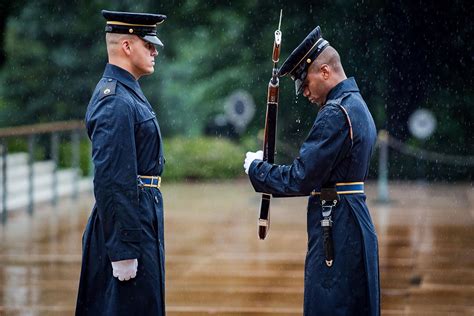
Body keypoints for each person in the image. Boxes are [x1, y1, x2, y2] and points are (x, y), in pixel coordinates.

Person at [244, 26, 380, 316]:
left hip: (337, 223)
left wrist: (257, 170)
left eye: (306, 82)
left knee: (331, 305)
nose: (304, 92)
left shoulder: (334, 112)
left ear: (326, 72)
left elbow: (302, 177)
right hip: (349, 217)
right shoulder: (355, 104)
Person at [76, 10, 167, 315]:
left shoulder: (127, 92)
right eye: (148, 44)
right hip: (129, 223)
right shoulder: (115, 99)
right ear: (127, 46)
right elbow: (112, 180)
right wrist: (123, 250)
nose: (154, 50)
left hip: (140, 214)